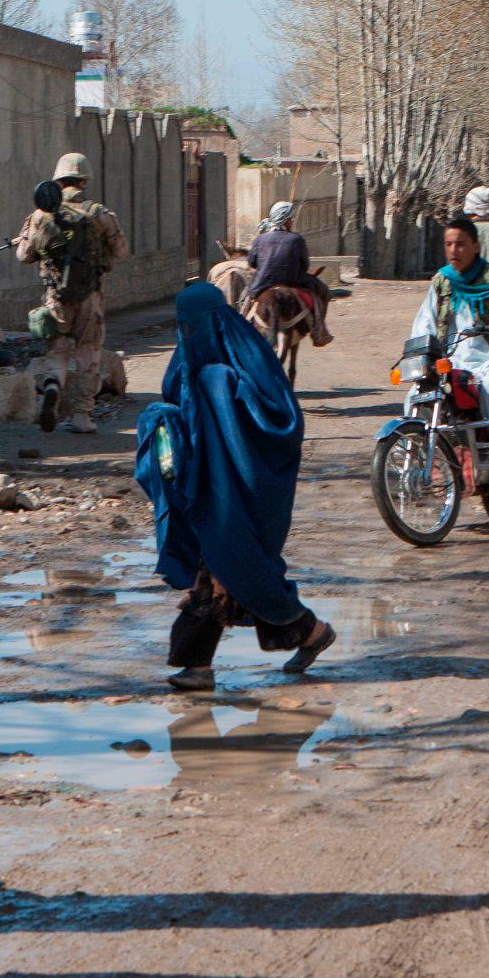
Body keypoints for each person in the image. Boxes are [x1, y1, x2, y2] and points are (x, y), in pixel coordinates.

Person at [136, 283, 338, 692]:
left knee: (235, 570)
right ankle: (203, 666)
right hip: (204, 487)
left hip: (240, 489)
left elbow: (280, 421)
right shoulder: (188, 363)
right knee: (218, 575)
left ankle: (310, 631)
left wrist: (225, 397)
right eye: (183, 327)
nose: (188, 334)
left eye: (193, 326)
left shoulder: (237, 369)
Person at [15, 152, 128, 434]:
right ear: (83, 180)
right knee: (88, 354)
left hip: (56, 297)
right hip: (90, 296)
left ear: (58, 180)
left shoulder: (41, 214)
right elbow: (121, 251)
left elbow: (23, 256)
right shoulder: (99, 213)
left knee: (58, 351)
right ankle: (81, 416)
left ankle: (52, 385)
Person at [411, 217, 489, 467]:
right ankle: (422, 455)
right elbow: (425, 321)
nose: (454, 250)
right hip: (451, 359)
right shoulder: (441, 281)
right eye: (449, 244)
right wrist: (419, 350)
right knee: (416, 394)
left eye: (461, 244)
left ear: (476, 246)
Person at [244, 199, 333, 346]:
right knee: (323, 291)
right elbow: (304, 264)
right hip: (293, 280)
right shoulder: (297, 239)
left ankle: (241, 327)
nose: (292, 221)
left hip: (262, 282)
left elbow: (252, 262)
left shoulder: (260, 239)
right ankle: (319, 331)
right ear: (285, 221)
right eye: (291, 218)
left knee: (246, 298)